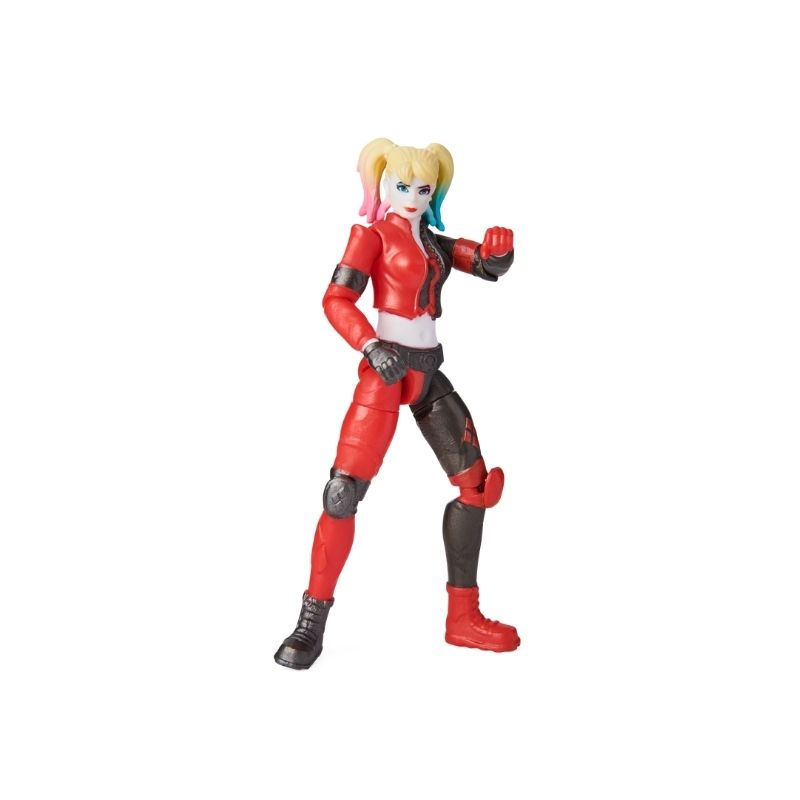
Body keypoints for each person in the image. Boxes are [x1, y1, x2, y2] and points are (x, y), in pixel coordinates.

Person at [274, 138, 520, 669]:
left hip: (428, 372)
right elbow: (336, 299)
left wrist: (498, 254)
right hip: (385, 372)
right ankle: (310, 623)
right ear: (383, 185)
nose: (412, 198)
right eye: (403, 186)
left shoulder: (431, 242)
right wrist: (370, 345)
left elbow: (482, 262)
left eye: (423, 189)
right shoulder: (371, 236)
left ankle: (463, 618)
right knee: (342, 493)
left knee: (476, 487)